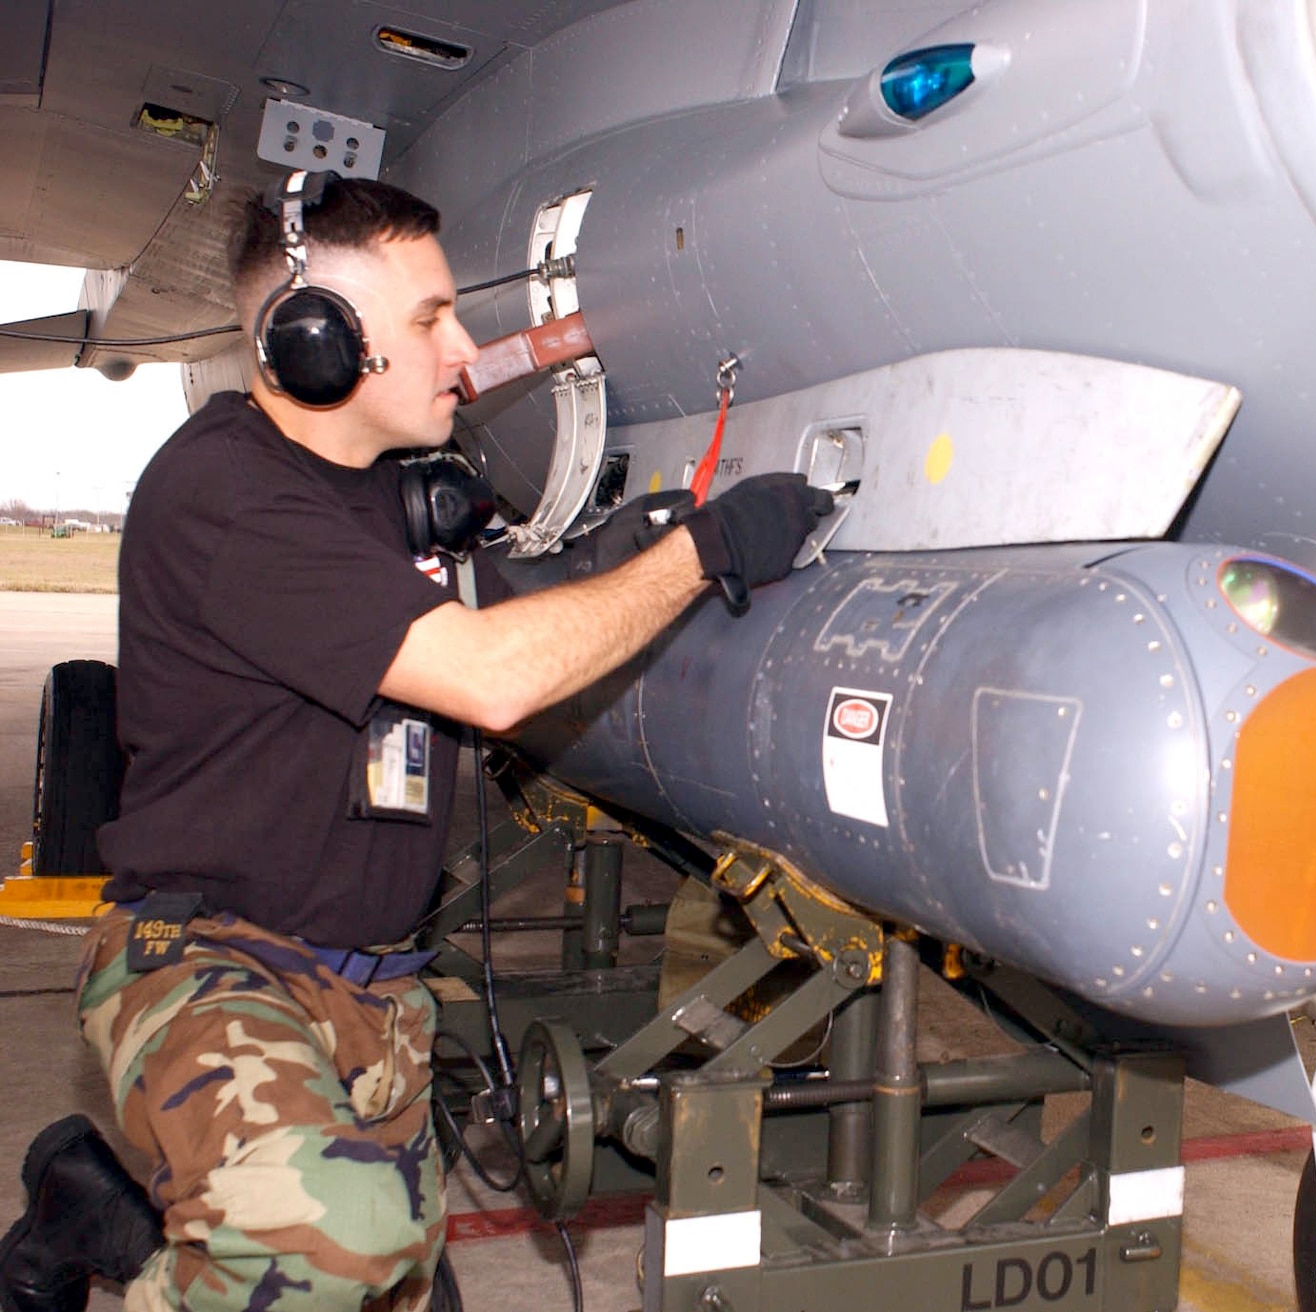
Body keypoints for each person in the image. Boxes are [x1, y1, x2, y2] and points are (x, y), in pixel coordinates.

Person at [0, 173, 827, 1312]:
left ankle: (97, 1212)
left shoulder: (377, 495)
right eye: (432, 316)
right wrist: (700, 553)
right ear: (316, 341)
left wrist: (601, 560)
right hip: (215, 969)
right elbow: (488, 678)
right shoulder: (230, 498)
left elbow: (485, 603)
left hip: (378, 992)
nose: (464, 344)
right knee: (327, 1243)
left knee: (384, 1277)